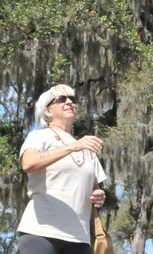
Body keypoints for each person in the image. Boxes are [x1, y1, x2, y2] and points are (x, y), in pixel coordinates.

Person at [17, 84, 107, 254]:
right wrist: (73, 147)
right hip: (41, 231)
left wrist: (99, 196)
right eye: (61, 99)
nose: (69, 102)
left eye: (72, 99)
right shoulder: (39, 136)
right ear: (47, 111)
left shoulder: (87, 146)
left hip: (79, 238)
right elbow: (28, 163)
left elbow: (95, 190)